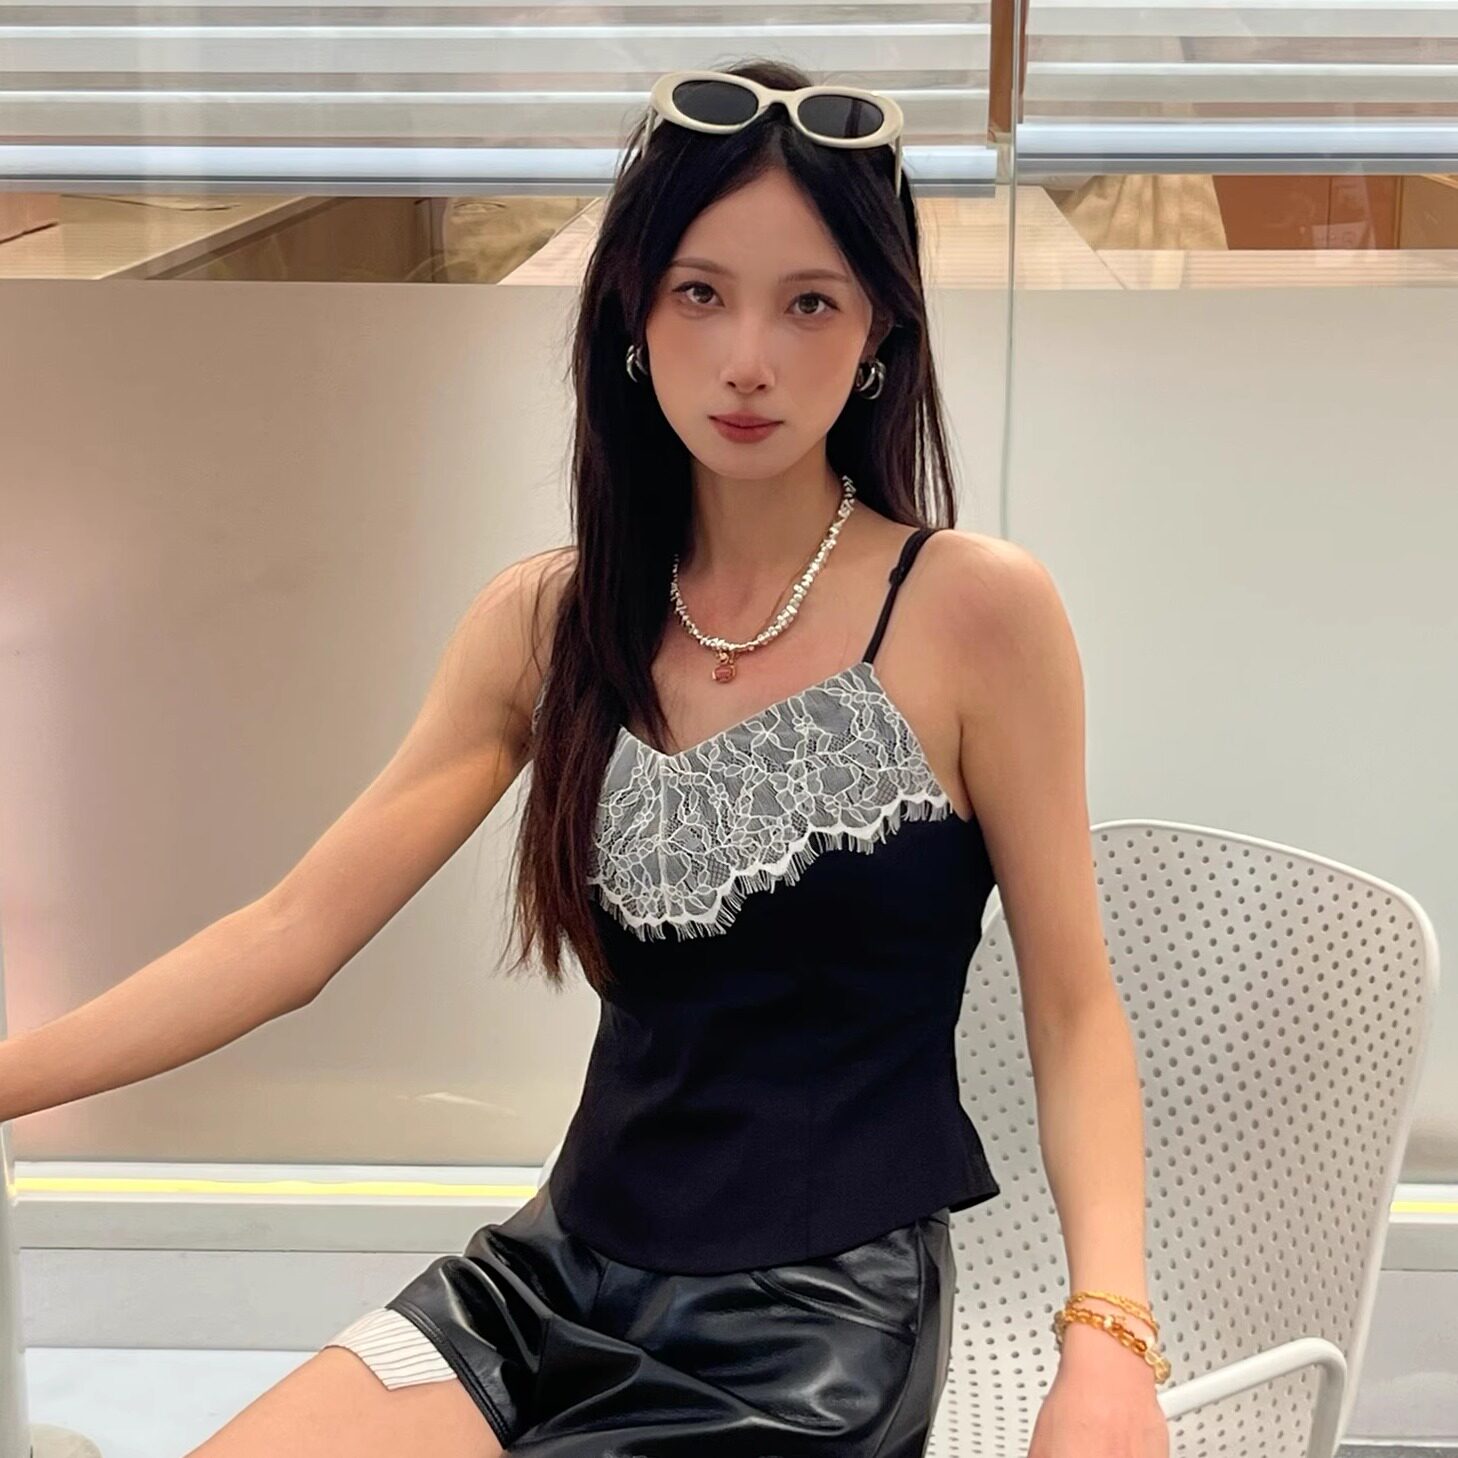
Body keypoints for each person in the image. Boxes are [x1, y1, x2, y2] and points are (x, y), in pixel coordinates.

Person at [1, 58, 1169, 1458]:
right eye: (700, 292)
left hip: (807, 1328)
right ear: (631, 310)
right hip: (543, 1282)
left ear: (877, 328)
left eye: (809, 301)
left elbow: (1074, 1008)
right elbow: (289, 934)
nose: (749, 357)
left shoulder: (974, 611)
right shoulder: (549, 621)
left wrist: (1108, 1336)